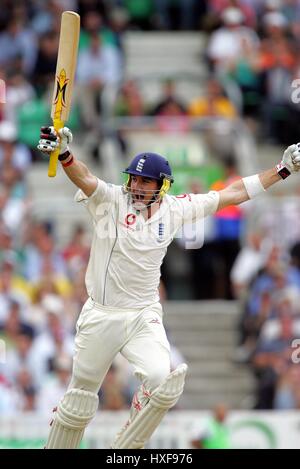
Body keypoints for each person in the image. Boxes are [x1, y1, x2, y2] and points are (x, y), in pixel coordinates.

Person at [37, 125, 300, 449]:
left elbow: (232, 194)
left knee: (162, 380)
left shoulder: (175, 209)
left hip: (143, 315)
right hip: (102, 313)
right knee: (79, 398)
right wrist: (63, 154)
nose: (136, 185)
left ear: (161, 186)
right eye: (133, 178)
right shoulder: (111, 200)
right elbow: (85, 177)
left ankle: (128, 439)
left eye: (144, 181)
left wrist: (282, 170)